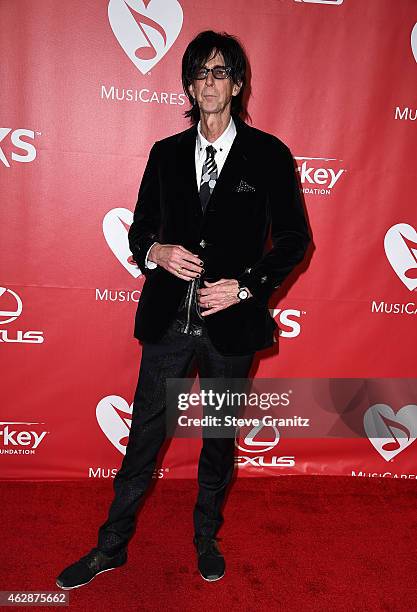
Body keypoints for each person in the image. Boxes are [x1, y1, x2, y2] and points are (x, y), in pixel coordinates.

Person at [56, 29, 310, 589]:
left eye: (221, 72)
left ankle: (205, 537)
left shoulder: (268, 154)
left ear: (237, 84)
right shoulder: (166, 154)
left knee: (218, 438)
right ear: (189, 87)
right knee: (144, 435)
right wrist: (155, 250)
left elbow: (293, 240)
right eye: (201, 73)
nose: (210, 82)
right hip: (169, 321)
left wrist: (246, 286)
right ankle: (111, 546)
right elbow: (141, 229)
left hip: (231, 325)